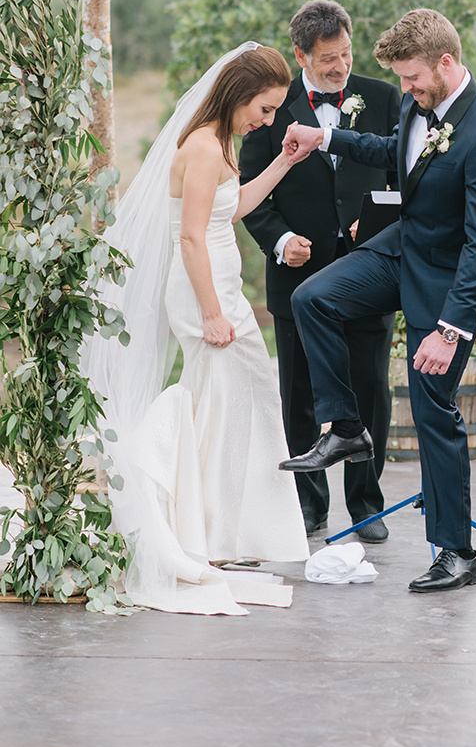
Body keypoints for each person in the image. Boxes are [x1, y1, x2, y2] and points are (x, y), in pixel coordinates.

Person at [279, 9, 476, 593]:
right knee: (313, 297)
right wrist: (325, 136)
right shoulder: (420, 102)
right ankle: (347, 428)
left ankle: (457, 553)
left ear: (446, 61)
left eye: (411, 78)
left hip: (449, 279)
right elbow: (396, 150)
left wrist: (451, 330)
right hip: (403, 247)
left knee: (435, 410)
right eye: (401, 81)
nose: (404, 90)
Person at [83, 43, 310, 615]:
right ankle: (190, 517)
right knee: (223, 399)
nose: (266, 120)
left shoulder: (219, 144)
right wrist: (212, 311)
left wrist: (282, 163)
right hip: (203, 293)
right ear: (239, 94)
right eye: (263, 108)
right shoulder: (204, 147)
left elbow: (228, 211)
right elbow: (189, 238)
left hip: (219, 290)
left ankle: (218, 528)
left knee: (235, 400)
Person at [239, 0, 400, 541]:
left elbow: (404, 175)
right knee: (300, 397)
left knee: (370, 389)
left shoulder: (384, 97)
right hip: (297, 277)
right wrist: (283, 241)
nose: (340, 66)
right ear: (301, 53)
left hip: (369, 270)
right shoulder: (270, 107)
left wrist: (375, 225)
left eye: (346, 53)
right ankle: (309, 507)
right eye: (328, 58)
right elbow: (251, 195)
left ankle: (367, 505)